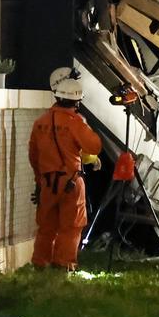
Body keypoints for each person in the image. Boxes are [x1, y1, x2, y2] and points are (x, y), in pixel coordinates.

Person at [29, 67, 103, 271]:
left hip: (46, 182)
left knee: (46, 227)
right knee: (71, 226)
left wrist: (39, 182)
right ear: (77, 101)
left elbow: (33, 157)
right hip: (71, 181)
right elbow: (93, 147)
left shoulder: (40, 123)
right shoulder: (75, 122)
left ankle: (40, 263)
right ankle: (63, 265)